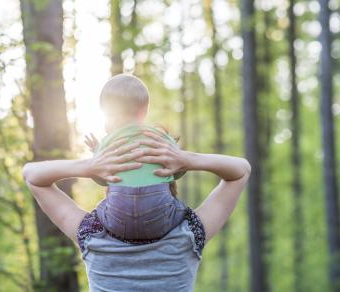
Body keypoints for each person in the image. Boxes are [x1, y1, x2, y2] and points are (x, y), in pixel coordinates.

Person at [22, 74, 251, 291]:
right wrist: (186, 160)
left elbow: (32, 176)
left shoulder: (92, 235)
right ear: (168, 180)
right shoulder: (189, 234)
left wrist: (89, 166)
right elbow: (241, 171)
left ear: (111, 181)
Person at [82, 74, 189, 242]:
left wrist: (97, 151)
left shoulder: (109, 142)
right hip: (160, 220)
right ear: (144, 111)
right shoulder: (159, 137)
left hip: (118, 223)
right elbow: (179, 170)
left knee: (98, 210)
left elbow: (101, 178)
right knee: (184, 211)